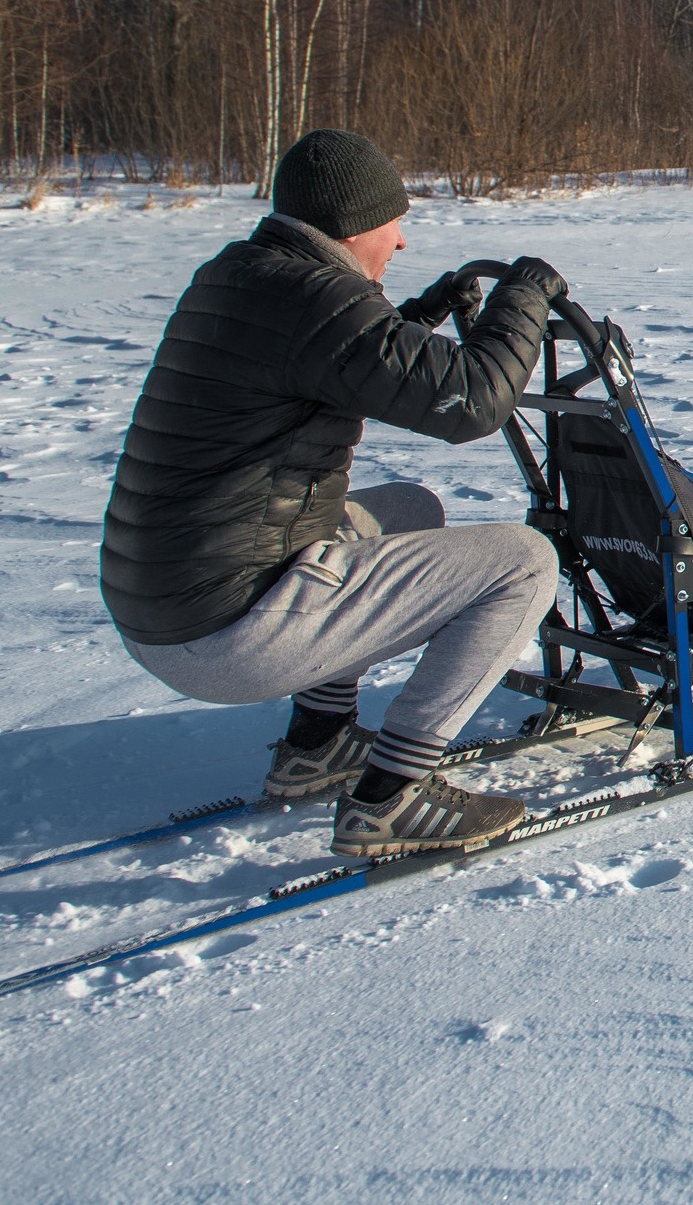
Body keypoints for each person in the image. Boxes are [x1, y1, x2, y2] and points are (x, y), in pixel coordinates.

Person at [100, 128, 568, 858]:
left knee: (409, 509)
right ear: (352, 227)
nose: (403, 241)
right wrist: (524, 298)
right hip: (228, 630)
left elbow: (338, 357)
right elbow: (473, 402)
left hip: (167, 605)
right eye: (394, 222)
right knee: (527, 562)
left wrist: (416, 317)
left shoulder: (246, 273)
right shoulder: (314, 298)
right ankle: (391, 797)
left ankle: (318, 743)